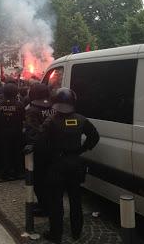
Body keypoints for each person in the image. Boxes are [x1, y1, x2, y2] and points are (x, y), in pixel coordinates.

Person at [42, 88, 100, 244]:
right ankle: (76, 231)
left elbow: (42, 144)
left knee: (56, 201)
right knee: (76, 199)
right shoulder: (81, 120)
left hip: (57, 165)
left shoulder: (51, 121)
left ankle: (56, 234)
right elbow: (94, 136)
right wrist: (81, 150)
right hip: (75, 164)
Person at [24, 83, 55, 216]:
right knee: (50, 180)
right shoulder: (54, 107)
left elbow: (32, 133)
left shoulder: (32, 110)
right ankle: (47, 204)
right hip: (54, 149)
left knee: (38, 180)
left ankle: (45, 207)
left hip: (40, 151)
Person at [0, 83, 25, 179]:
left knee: (5, 152)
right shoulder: (20, 104)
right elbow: (23, 118)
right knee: (17, 152)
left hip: (3, 132)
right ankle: (18, 172)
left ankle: (5, 172)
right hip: (16, 132)